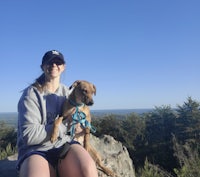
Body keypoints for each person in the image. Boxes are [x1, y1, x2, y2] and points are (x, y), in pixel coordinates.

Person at [17, 50, 98, 177]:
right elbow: (29, 136)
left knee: (88, 170)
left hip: (64, 144)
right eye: (50, 62)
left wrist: (81, 128)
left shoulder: (70, 92)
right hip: (37, 150)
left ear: (63, 67)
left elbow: (83, 116)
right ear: (42, 67)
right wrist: (66, 127)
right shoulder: (31, 95)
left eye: (58, 62)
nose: (54, 65)